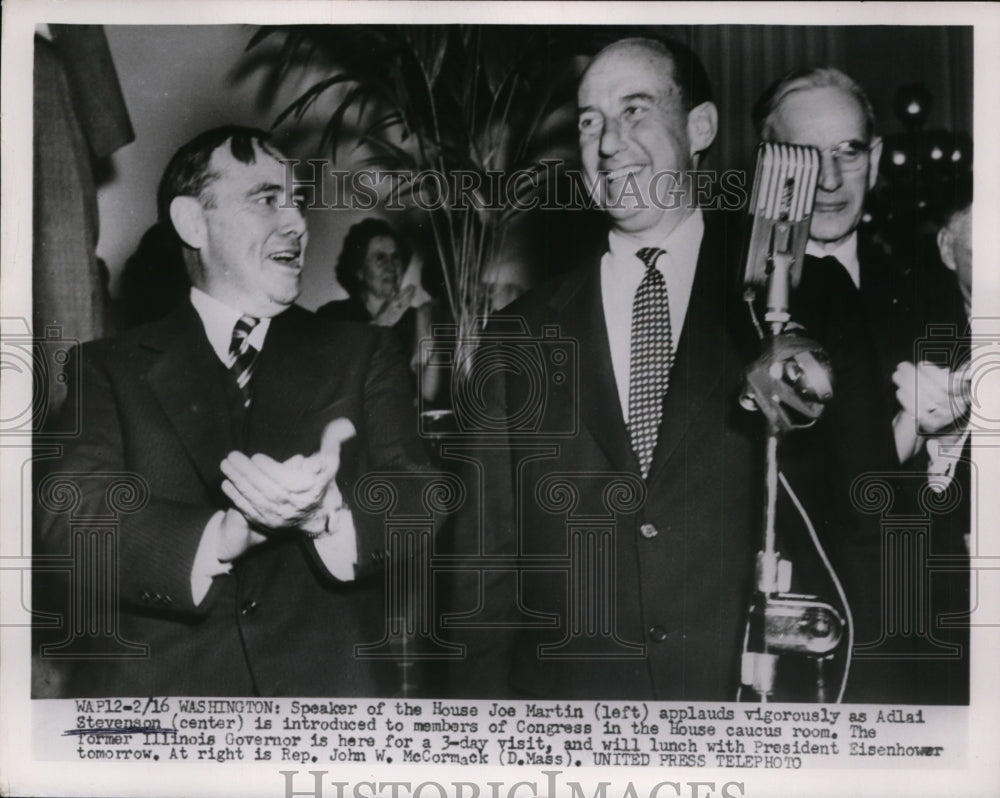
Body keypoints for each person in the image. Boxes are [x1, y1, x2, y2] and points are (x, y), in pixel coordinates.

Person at [35, 126, 431, 697]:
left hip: (324, 705)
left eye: (295, 202)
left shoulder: (362, 351)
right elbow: (67, 518)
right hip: (170, 713)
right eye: (268, 199)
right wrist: (221, 535)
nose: (297, 222)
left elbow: (420, 496)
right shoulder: (108, 368)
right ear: (194, 223)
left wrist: (328, 515)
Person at [449, 37, 768, 701]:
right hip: (574, 721)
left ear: (700, 126)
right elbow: (484, 579)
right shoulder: (518, 335)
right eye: (590, 121)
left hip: (743, 711)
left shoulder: (779, 299)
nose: (609, 142)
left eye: (635, 111)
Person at [756, 68, 970, 703]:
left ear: (873, 160)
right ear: (770, 164)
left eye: (847, 152)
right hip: (812, 651)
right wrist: (916, 430)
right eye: (806, 157)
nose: (828, 181)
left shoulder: (921, 284)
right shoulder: (740, 303)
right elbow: (812, 484)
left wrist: (951, 443)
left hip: (930, 637)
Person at [317, 218, 439, 402]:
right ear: (359, 271)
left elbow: (426, 394)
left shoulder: (416, 318)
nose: (391, 265)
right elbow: (330, 381)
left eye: (396, 256)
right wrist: (380, 324)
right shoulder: (333, 315)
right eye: (380, 258)